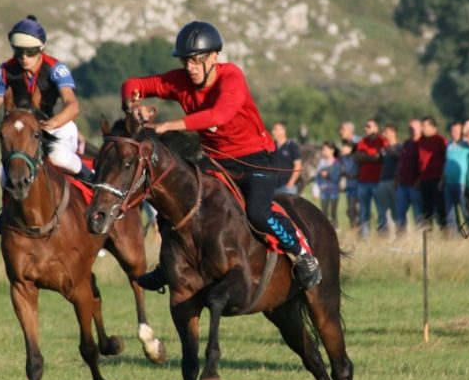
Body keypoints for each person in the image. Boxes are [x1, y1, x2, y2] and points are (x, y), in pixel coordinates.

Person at [120, 20, 321, 289]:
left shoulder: (232, 77)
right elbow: (133, 84)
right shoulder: (179, 81)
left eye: (196, 60)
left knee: (258, 213)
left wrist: (169, 125)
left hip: (255, 157)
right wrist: (132, 106)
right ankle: (169, 266)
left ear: (214, 57)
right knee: (173, 206)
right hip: (216, 160)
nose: (189, 68)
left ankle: (302, 254)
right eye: (185, 61)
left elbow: (219, 115)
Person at [0, 15, 94, 233]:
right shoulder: (4, 71)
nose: (24, 57)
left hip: (57, 125)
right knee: (6, 172)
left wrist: (50, 124)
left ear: (42, 48)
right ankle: (6, 211)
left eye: (30, 52)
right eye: (18, 51)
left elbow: (72, 105)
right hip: (24, 133)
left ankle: (93, 184)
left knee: (57, 157)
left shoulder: (56, 69)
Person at [354, 119, 387, 239]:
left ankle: (382, 236)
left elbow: (380, 158)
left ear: (376, 128)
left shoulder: (382, 141)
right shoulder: (362, 141)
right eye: (365, 126)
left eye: (369, 126)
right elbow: (357, 157)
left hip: (378, 181)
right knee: (364, 211)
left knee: (381, 210)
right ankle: (365, 237)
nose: (366, 129)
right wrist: (371, 157)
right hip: (363, 181)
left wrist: (365, 156)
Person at [417, 116, 447, 229]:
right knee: (426, 210)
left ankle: (445, 232)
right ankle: (427, 235)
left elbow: (445, 160)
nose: (422, 129)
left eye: (424, 126)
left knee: (440, 209)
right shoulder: (421, 141)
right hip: (424, 180)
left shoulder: (440, 140)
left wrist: (442, 179)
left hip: (437, 179)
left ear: (432, 127)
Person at [395, 121, 422, 234]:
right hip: (403, 184)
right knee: (400, 213)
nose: (412, 131)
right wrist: (396, 178)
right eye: (410, 128)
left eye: (414, 128)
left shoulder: (422, 143)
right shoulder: (406, 143)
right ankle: (401, 238)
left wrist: (419, 180)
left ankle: (420, 238)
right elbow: (401, 162)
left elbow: (423, 164)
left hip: (415, 184)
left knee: (418, 214)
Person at [442, 121, 469, 235]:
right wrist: (441, 180)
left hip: (462, 183)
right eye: (452, 131)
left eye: (456, 131)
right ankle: (454, 236)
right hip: (448, 183)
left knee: (465, 211)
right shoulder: (449, 146)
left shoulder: (466, 145)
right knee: (450, 213)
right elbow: (445, 163)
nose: (454, 133)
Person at [376, 124, 401, 236]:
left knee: (398, 210)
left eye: (386, 132)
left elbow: (401, 159)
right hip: (383, 181)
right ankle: (389, 236)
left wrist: (392, 152)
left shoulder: (399, 146)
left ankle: (402, 234)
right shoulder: (384, 149)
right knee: (386, 212)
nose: (384, 134)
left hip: (395, 182)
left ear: (393, 132)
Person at [314, 141, 341, 229]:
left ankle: (335, 229)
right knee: (324, 212)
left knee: (333, 211)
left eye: (326, 149)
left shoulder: (337, 162)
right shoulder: (321, 163)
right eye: (323, 149)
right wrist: (316, 189)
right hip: (324, 190)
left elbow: (337, 177)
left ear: (332, 150)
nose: (324, 151)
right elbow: (317, 177)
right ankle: (326, 229)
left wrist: (328, 174)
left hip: (334, 190)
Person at [271, 121, 302, 195]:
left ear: (283, 131)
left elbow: (298, 165)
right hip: (272, 186)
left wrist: (290, 183)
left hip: (287, 187)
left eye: (275, 129)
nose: (273, 132)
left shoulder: (292, 146)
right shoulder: (272, 146)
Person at [339, 140, 359, 229]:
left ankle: (360, 228)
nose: (342, 148)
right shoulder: (342, 159)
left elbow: (357, 171)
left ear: (350, 149)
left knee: (357, 209)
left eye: (345, 147)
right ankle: (353, 227)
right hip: (349, 187)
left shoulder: (356, 158)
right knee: (350, 210)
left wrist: (350, 174)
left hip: (357, 186)